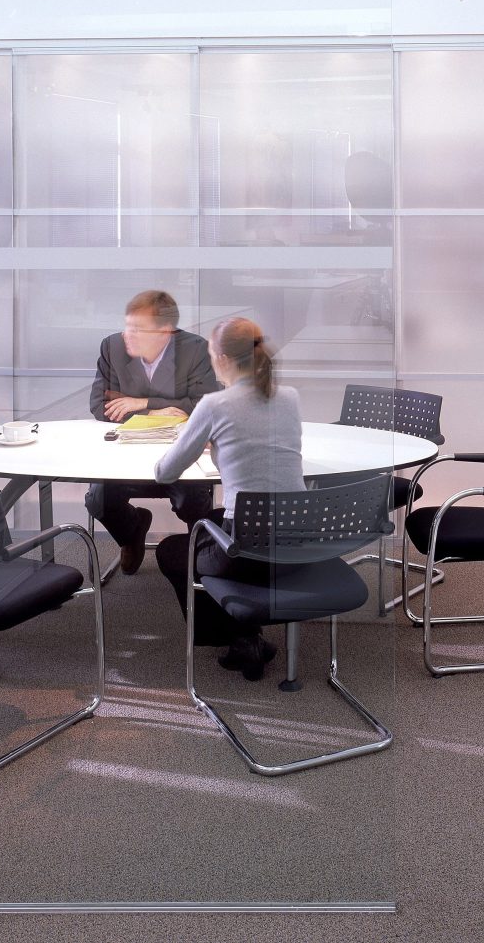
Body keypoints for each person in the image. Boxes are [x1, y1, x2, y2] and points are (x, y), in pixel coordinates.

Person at [152, 317, 303, 681]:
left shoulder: (214, 404)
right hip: (300, 543)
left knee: (174, 550)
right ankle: (247, 632)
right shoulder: (290, 397)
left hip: (246, 550)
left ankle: (237, 638)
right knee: (219, 515)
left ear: (220, 358)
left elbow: (164, 473)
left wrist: (203, 441)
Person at [87, 290, 219, 574]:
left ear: (165, 332)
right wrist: (155, 411)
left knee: (193, 502)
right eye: (127, 326)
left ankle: (202, 561)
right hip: (127, 454)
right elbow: (99, 405)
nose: (127, 335)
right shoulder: (112, 347)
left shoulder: (195, 350)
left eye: (137, 329)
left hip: (182, 456)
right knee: (98, 500)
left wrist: (142, 402)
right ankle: (131, 531)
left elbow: (205, 405)